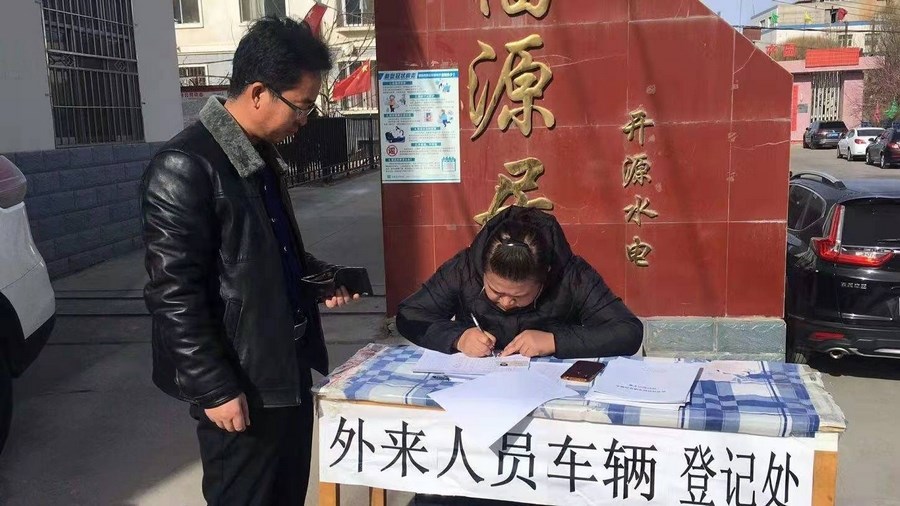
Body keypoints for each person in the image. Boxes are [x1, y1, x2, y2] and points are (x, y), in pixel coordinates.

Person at [141, 16, 357, 505]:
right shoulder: (185, 165)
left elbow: (268, 252)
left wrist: (320, 277)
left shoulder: (256, 156)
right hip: (240, 380)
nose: (305, 119)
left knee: (286, 494)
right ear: (258, 93)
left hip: (283, 366)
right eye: (301, 106)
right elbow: (173, 294)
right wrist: (214, 388)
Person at [397, 206, 642, 359]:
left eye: (518, 296)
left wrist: (554, 341)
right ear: (483, 270)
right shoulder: (465, 268)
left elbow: (628, 331)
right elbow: (410, 314)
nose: (505, 302)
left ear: (544, 278)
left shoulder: (571, 275)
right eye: (495, 291)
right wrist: (458, 338)